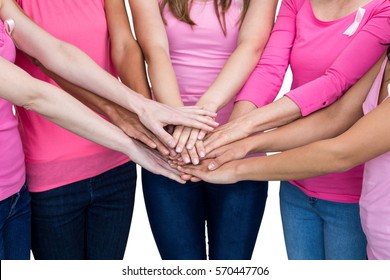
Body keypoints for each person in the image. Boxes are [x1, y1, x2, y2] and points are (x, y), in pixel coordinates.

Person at [5, 0, 216, 260]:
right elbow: (41, 73)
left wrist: (146, 118)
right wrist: (122, 115)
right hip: (51, 174)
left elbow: (122, 47)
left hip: (116, 165)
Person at [187, 0, 390, 260]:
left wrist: (241, 132)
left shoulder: (382, 9)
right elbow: (269, 69)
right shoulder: (297, 2)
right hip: (294, 182)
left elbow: (335, 88)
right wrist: (233, 139)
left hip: (351, 196)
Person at [130, 0, 277, 259]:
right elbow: (155, 51)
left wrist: (196, 122)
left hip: (235, 150)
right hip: (170, 149)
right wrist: (180, 124)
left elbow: (251, 47)